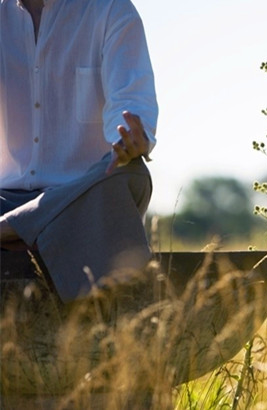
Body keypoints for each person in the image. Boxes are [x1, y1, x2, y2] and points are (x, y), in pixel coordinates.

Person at [0, 0, 158, 302]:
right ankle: (29, 231)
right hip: (9, 200)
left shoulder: (110, 9)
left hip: (83, 197)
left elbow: (131, 102)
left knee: (131, 173)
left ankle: (10, 232)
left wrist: (128, 143)